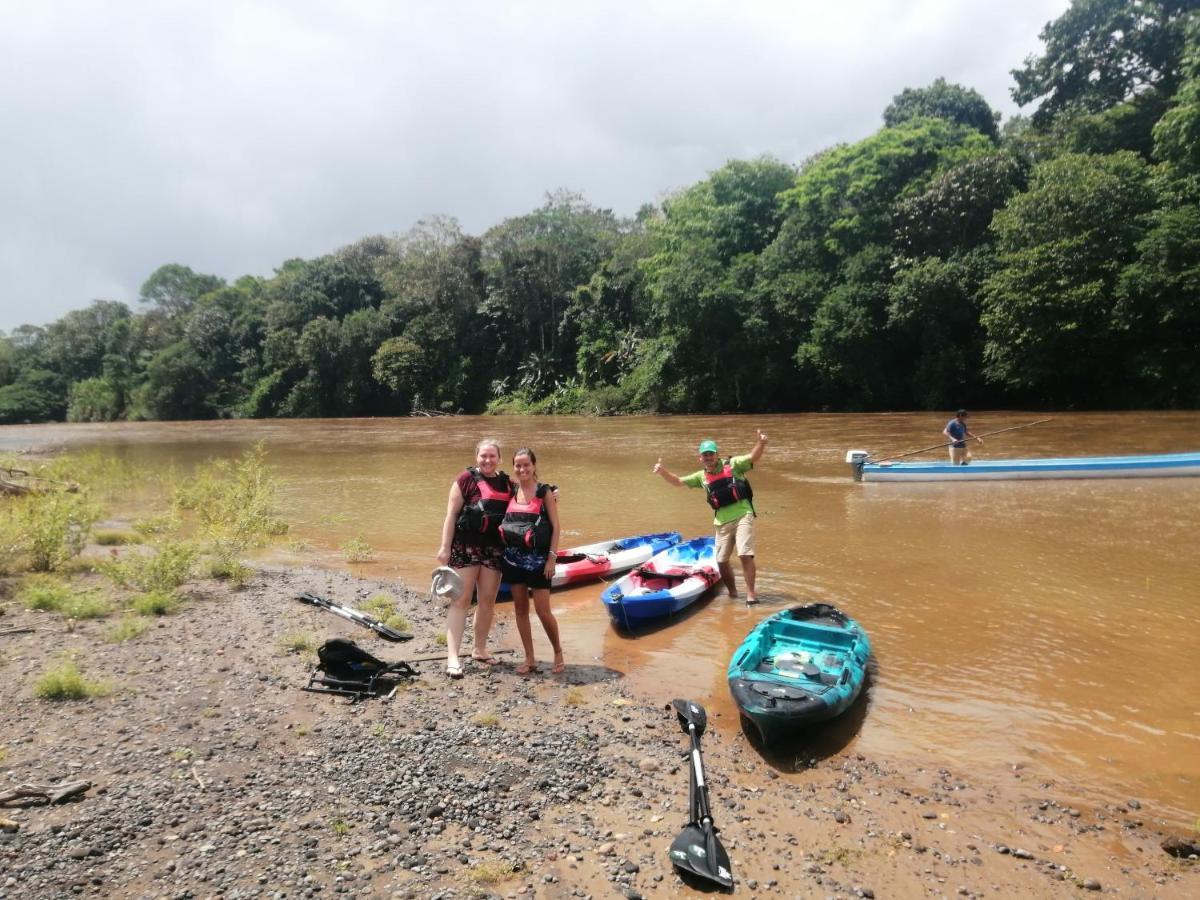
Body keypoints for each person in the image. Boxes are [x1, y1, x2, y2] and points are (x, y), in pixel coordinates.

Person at [653, 431, 767, 604]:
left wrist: (761, 443)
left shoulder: (734, 465)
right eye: (705, 455)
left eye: (711, 454)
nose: (708, 457)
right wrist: (663, 472)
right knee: (721, 560)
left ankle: (751, 595)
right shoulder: (701, 477)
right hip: (721, 521)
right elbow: (677, 482)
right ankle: (733, 594)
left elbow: (753, 457)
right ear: (700, 458)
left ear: (717, 455)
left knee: (744, 553)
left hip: (743, 514)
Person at [436, 437, 511, 678]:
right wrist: (444, 547)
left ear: (499, 458)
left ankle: (479, 649)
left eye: (492, 456)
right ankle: (453, 658)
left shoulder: (507, 483)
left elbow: (529, 498)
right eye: (483, 456)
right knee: (461, 601)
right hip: (465, 547)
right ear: (476, 457)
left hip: (493, 550)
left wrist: (552, 492)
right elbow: (451, 515)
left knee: (488, 601)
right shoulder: (465, 480)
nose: (487, 460)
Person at [499, 447, 565, 676]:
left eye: (526, 464)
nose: (522, 469)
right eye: (517, 465)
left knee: (543, 610)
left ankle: (557, 651)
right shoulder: (511, 491)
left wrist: (551, 559)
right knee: (520, 609)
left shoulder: (545, 492)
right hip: (513, 560)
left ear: (534, 466)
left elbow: (556, 527)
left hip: (539, 561)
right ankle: (530, 658)